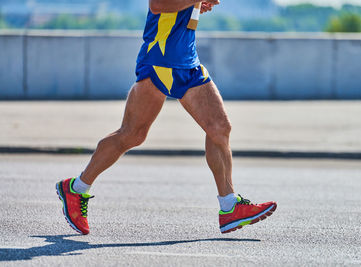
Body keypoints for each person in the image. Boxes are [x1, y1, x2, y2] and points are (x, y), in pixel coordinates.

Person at [56, 0, 277, 235]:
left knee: (219, 128)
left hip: (187, 63)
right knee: (132, 134)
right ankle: (77, 188)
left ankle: (229, 205)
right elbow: (159, 4)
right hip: (159, 60)